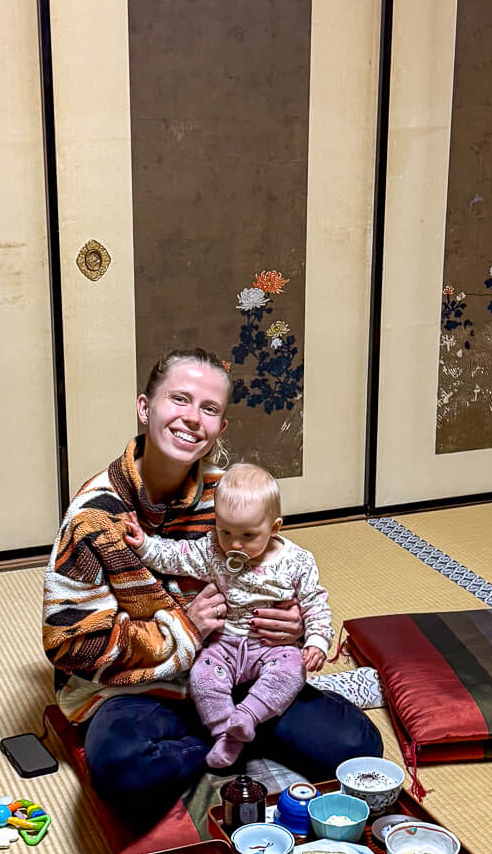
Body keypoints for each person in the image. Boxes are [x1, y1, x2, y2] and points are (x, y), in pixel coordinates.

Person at [42, 347, 382, 828]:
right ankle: (238, 731)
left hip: (238, 668)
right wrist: (185, 628)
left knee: (359, 750)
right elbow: (70, 644)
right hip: (144, 691)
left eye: (209, 409)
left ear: (221, 427)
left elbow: (285, 573)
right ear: (145, 408)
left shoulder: (229, 495)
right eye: (179, 399)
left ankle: (241, 720)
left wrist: (295, 626)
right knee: (122, 767)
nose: (192, 419)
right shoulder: (95, 516)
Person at [122, 461, 331, 769]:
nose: (234, 544)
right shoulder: (213, 551)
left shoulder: (296, 561)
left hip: (272, 647)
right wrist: (144, 545)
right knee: (201, 676)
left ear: (274, 528)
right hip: (226, 644)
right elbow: (175, 558)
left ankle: (248, 715)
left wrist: (316, 641)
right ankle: (225, 734)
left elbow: (315, 603)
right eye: (225, 531)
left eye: (248, 535)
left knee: (292, 671)